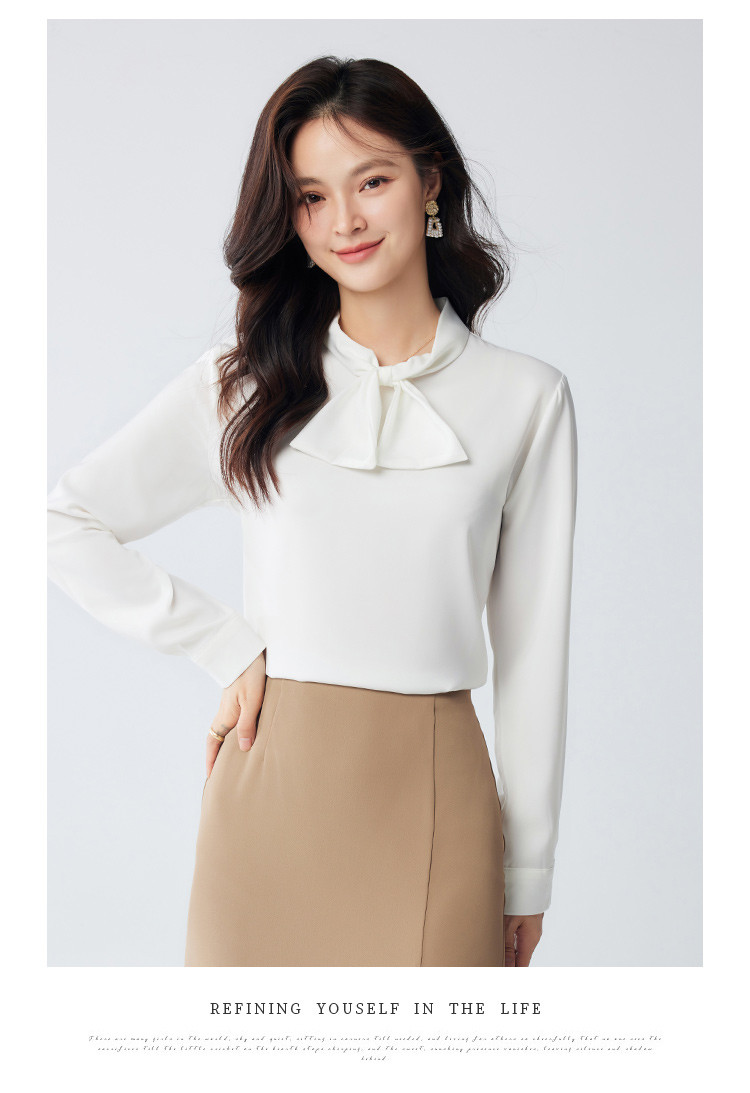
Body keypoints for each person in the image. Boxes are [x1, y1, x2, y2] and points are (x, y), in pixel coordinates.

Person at [47, 55, 578, 968]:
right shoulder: (245, 384)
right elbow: (63, 522)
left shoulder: (526, 398)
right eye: (311, 197)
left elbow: (533, 652)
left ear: (430, 181)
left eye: (372, 181)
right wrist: (224, 643)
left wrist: (528, 868)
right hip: (266, 809)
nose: (345, 222)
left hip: (436, 808)